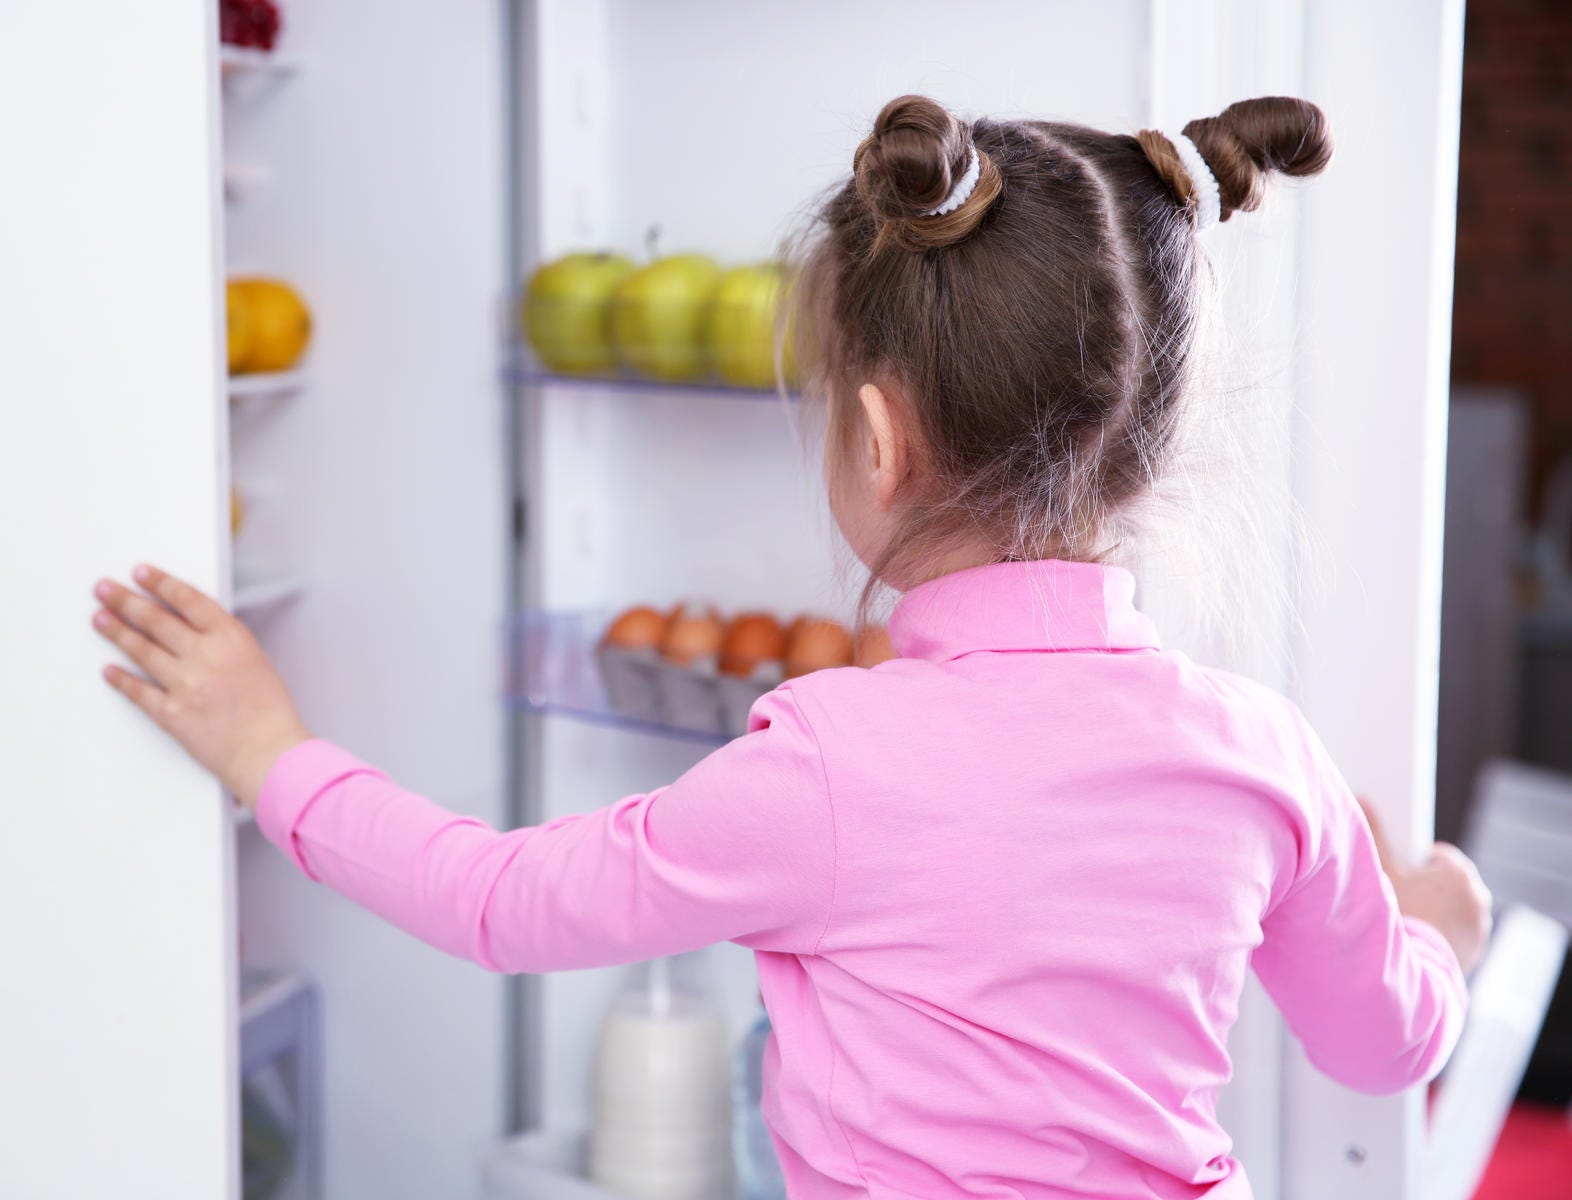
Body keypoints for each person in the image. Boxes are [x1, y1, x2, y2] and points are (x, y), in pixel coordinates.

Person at [89, 94, 1491, 1199]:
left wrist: (265, 750)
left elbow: (501, 903)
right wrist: (1428, 922)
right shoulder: (1264, 755)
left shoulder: (832, 759)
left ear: (877, 443)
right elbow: (1384, 1043)